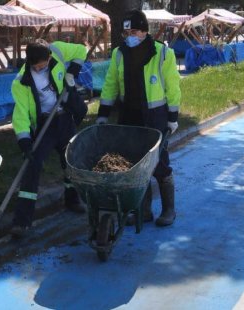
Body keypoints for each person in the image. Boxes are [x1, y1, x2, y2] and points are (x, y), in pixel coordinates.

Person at [96, 10, 181, 227]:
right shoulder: (119, 53)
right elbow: (111, 84)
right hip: (129, 114)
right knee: (133, 162)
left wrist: (173, 117)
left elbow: (172, 87)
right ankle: (143, 211)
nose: (130, 36)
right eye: (126, 32)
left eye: (134, 31)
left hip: (155, 116)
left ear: (144, 31)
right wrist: (103, 114)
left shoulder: (162, 53)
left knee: (159, 162)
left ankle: (169, 210)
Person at [10, 39, 89, 237]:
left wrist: (72, 73)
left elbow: (82, 49)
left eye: (46, 63)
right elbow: (20, 114)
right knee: (32, 165)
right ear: (30, 62)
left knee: (70, 161)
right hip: (45, 125)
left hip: (64, 119)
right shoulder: (21, 82)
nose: (43, 67)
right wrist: (24, 140)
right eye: (39, 66)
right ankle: (22, 221)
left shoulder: (57, 51)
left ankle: (72, 200)